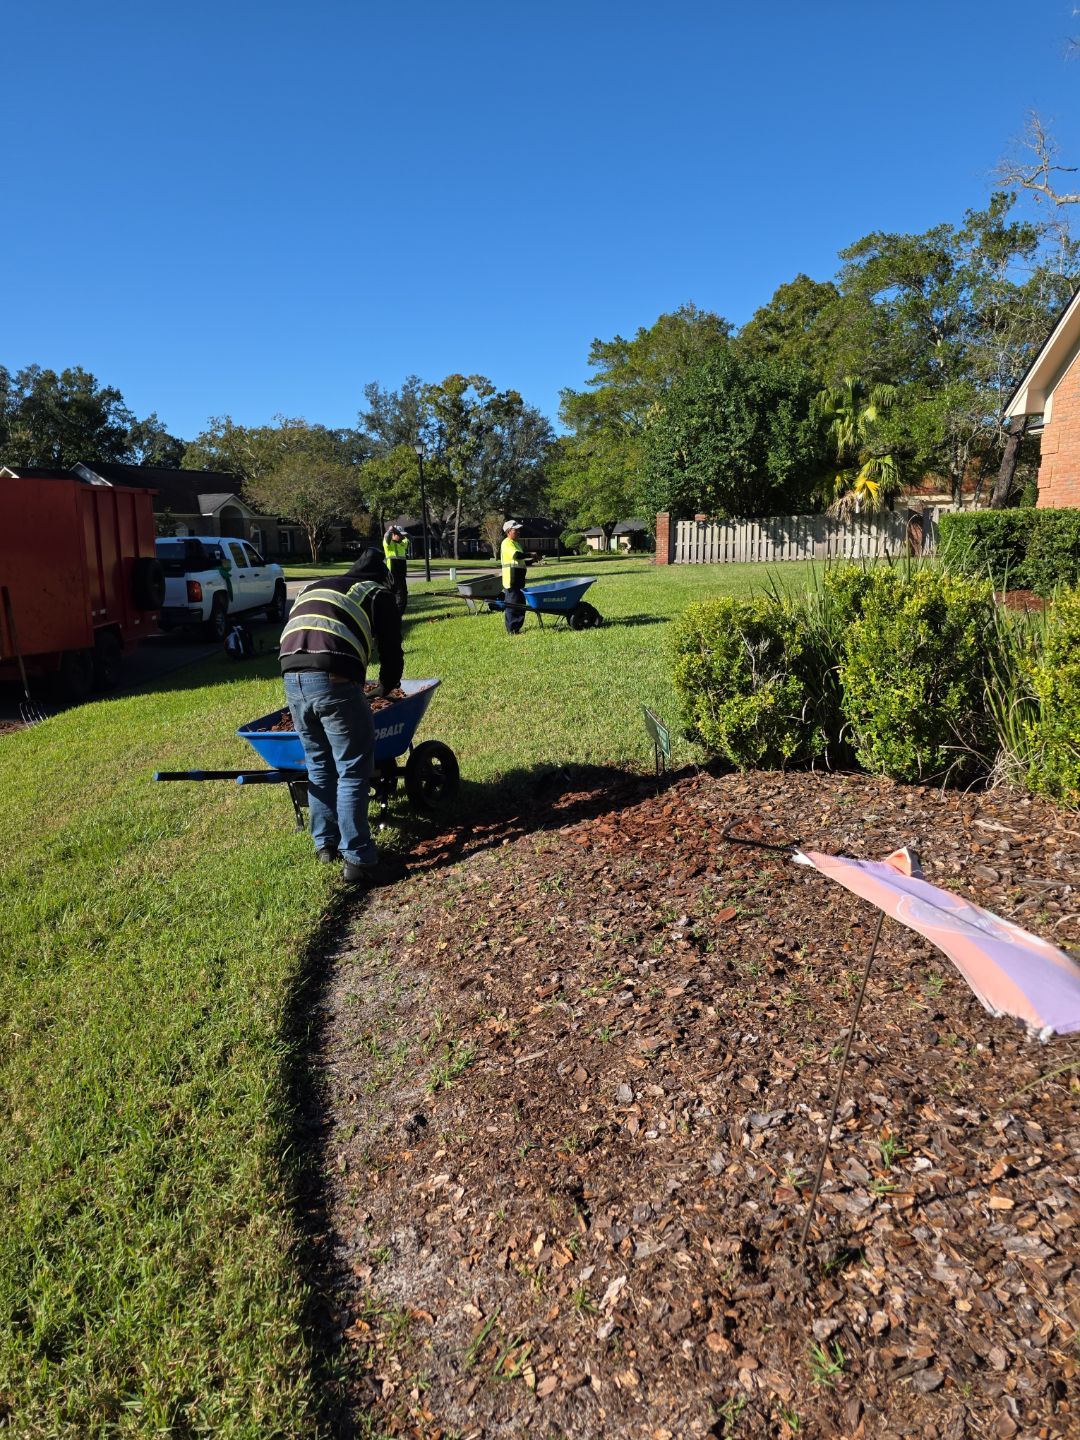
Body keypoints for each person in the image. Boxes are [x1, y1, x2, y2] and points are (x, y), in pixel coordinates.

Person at [279, 548, 404, 883]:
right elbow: (392, 649)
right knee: (352, 769)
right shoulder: (377, 593)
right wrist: (389, 686)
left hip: (292, 675)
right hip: (333, 677)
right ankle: (360, 860)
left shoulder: (317, 586)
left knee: (319, 764)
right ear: (382, 578)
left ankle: (325, 845)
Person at [500, 520, 529, 635]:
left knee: (520, 603)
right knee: (513, 604)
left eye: (518, 530)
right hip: (511, 578)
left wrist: (532, 559)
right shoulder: (506, 543)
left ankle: (517, 627)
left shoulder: (516, 543)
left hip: (518, 578)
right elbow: (516, 555)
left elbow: (520, 559)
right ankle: (512, 629)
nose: (518, 532)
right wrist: (530, 554)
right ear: (508, 531)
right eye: (515, 530)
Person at [383, 524, 409, 613]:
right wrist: (391, 530)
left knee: (402, 594)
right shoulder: (388, 543)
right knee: (396, 593)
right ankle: (395, 614)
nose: (401, 537)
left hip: (401, 570)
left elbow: (410, 538)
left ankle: (397, 614)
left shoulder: (403, 542)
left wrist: (400, 535)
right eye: (399, 534)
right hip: (392, 571)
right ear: (393, 534)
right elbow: (387, 537)